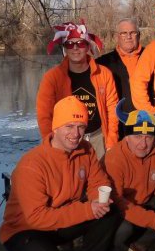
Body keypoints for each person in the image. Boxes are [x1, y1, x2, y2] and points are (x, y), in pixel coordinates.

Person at [1, 96, 120, 251]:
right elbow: (37, 217)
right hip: (25, 228)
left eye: (81, 127)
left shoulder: (86, 149)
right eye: (69, 126)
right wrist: (88, 209)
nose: (76, 134)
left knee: (109, 211)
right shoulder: (32, 165)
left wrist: (98, 200)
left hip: (60, 219)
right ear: (55, 128)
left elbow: (98, 181)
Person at [103, 101, 155, 251]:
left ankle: (139, 243)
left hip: (145, 201)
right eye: (137, 136)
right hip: (120, 208)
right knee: (124, 229)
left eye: (148, 137)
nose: (143, 144)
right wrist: (154, 221)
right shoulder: (114, 158)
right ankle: (109, 250)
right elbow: (118, 200)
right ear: (127, 137)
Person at [37, 21, 119, 158]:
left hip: (98, 138)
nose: (75, 48)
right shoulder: (52, 78)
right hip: (65, 140)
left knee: (101, 177)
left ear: (87, 46)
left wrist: (111, 142)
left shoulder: (104, 74)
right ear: (64, 48)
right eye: (70, 44)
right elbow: (44, 115)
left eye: (80, 43)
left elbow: (112, 111)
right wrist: (51, 142)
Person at [97, 18, 144, 140]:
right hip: (117, 125)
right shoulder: (103, 63)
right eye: (124, 33)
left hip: (146, 123)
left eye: (133, 32)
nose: (128, 36)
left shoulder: (151, 56)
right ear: (117, 36)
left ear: (139, 35)